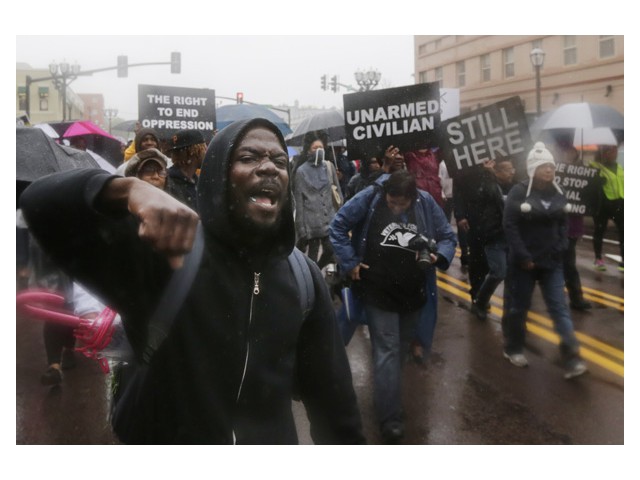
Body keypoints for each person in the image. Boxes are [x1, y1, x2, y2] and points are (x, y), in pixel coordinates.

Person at [20, 117, 364, 444]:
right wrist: (127, 190)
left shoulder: (304, 278)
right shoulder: (169, 253)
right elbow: (39, 203)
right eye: (248, 157)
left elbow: (333, 401)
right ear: (218, 175)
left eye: (277, 159)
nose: (268, 166)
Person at [330, 170, 456, 443]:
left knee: (399, 351)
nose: (396, 207)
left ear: (413, 197)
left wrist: (439, 255)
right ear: (385, 193)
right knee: (386, 350)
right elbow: (337, 225)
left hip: (414, 292)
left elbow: (448, 236)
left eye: (402, 203)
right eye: (392, 201)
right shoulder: (371, 196)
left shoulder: (425, 202)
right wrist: (350, 262)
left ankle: (386, 395)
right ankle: (390, 418)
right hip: (378, 289)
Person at [501, 142, 588, 379]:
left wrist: (560, 246)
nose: (549, 170)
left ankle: (572, 358)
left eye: (551, 166)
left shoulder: (558, 192)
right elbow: (510, 226)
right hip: (524, 265)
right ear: (532, 169)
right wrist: (524, 256)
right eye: (543, 166)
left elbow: (563, 223)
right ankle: (513, 347)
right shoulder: (519, 193)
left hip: (552, 263)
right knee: (519, 307)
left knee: (559, 309)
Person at [469, 156, 516, 320]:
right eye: (508, 170)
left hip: (510, 238)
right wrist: (488, 174)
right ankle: (480, 302)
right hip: (494, 237)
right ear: (497, 172)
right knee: (498, 272)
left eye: (512, 170)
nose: (511, 173)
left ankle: (511, 310)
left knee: (513, 275)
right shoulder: (488, 185)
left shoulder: (513, 188)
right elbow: (489, 194)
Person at [292, 136, 342, 271]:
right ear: (308, 150)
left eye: (321, 148)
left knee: (331, 249)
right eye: (315, 148)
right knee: (312, 255)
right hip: (312, 223)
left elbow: (339, 195)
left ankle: (318, 270)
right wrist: (301, 229)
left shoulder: (329, 167)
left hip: (329, 219)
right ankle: (314, 278)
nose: (318, 150)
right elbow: (299, 202)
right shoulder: (301, 171)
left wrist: (341, 216)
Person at [554, 144, 592, 310]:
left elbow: (586, 199)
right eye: (566, 152)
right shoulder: (554, 171)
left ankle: (576, 298)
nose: (569, 155)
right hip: (554, 227)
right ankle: (554, 297)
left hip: (572, 227)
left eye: (572, 153)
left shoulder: (583, 173)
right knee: (554, 264)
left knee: (569, 264)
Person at [590, 144, 624, 272]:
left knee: (624, 232)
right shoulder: (595, 167)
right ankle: (598, 259)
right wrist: (597, 180)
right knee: (599, 231)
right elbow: (589, 183)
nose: (615, 153)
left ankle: (624, 260)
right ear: (604, 153)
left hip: (619, 204)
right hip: (602, 205)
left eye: (615, 151)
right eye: (611, 151)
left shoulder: (620, 167)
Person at [165, 129, 207, 212]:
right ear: (194, 151)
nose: (206, 152)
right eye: (204, 148)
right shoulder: (167, 184)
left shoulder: (198, 182)